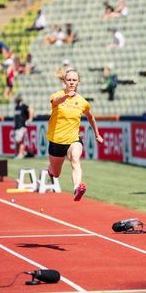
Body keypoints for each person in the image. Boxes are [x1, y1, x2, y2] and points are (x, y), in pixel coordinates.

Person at [46, 68, 103, 201]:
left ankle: (77, 188)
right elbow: (56, 102)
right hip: (56, 141)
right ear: (64, 81)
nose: (71, 82)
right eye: (69, 80)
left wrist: (97, 134)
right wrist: (67, 96)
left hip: (73, 139)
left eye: (74, 80)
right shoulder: (57, 95)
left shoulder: (83, 102)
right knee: (56, 173)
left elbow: (90, 117)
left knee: (75, 160)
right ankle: (50, 169)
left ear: (78, 82)